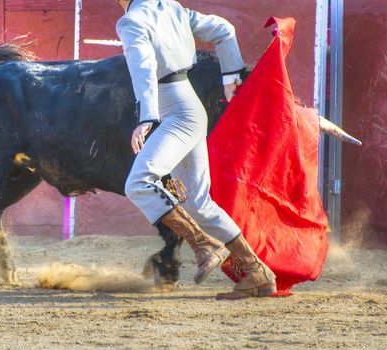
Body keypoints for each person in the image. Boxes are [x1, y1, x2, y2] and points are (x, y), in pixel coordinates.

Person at [114, 0, 276, 299]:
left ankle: (204, 244)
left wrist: (146, 117)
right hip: (190, 106)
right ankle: (257, 272)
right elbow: (223, 29)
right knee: (198, 202)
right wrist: (231, 75)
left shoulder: (131, 21)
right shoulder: (172, 8)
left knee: (139, 182)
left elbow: (144, 67)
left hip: (174, 110)